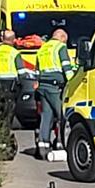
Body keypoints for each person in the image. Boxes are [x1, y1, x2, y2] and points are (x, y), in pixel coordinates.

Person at [0, 30, 34, 156]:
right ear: (14, 40)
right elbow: (22, 74)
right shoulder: (15, 54)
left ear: (2, 39)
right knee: (7, 117)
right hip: (11, 89)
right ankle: (4, 142)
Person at [35, 28, 77, 158]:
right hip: (55, 87)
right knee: (63, 116)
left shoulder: (42, 49)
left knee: (46, 116)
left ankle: (43, 145)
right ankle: (61, 143)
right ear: (63, 38)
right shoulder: (60, 47)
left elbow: (37, 70)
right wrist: (73, 82)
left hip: (43, 86)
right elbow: (66, 67)